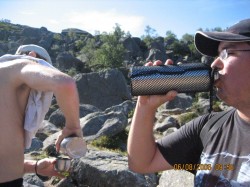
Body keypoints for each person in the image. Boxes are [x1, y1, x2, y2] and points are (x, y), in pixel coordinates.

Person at [127, 18, 250, 186]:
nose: (214, 63)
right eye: (216, 55)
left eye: (227, 53)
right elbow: (141, 163)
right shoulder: (207, 127)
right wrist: (145, 106)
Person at [0, 44, 83, 186]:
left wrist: (34, 167)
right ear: (32, 55)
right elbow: (65, 83)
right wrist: (73, 127)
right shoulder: (20, 66)